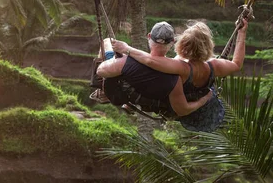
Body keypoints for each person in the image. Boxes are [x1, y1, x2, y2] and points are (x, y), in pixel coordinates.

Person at [112, 20, 248, 131]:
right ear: (208, 46)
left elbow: (149, 60)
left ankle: (130, 99)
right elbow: (237, 64)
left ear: (182, 45)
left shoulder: (181, 67)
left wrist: (126, 49)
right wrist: (242, 32)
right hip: (207, 113)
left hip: (185, 108)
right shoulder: (215, 66)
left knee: (156, 71)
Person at [96, 22, 212, 118]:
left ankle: (102, 90)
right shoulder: (177, 75)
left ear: (149, 37)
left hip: (126, 92)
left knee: (107, 42)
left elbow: (100, 71)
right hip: (152, 102)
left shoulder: (127, 62)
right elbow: (183, 109)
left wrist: (115, 58)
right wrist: (203, 100)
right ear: (172, 42)